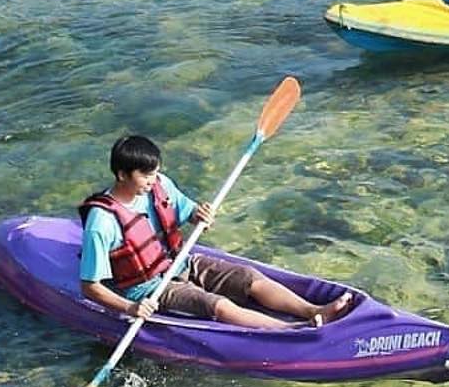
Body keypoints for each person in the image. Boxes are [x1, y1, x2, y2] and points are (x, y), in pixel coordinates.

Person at [79, 134, 353, 329]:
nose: (152, 181)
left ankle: (314, 311)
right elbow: (90, 287)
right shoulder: (101, 222)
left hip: (181, 261)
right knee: (217, 305)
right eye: (145, 175)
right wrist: (130, 308)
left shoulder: (160, 184)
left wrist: (201, 214)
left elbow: (190, 213)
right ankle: (293, 331)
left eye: (155, 173)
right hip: (148, 287)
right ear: (122, 174)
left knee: (248, 278)